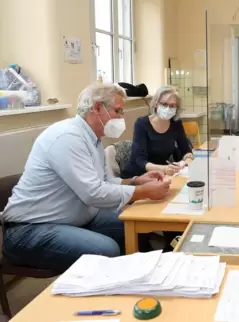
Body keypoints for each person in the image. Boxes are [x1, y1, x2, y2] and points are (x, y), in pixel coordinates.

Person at [1, 83, 171, 272]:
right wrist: (141, 192)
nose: (122, 117)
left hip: (74, 218)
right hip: (30, 229)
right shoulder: (67, 137)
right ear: (97, 107)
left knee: (137, 224)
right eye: (118, 111)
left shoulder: (92, 137)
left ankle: (132, 279)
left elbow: (104, 181)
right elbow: (93, 193)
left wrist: (136, 181)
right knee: (106, 250)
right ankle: (104, 290)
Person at [122, 86, 193, 178]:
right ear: (156, 104)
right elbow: (139, 160)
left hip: (160, 175)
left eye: (172, 106)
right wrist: (163, 169)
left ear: (177, 108)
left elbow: (186, 150)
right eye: (164, 104)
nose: (168, 108)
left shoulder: (176, 124)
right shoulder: (142, 123)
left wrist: (187, 161)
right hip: (137, 176)